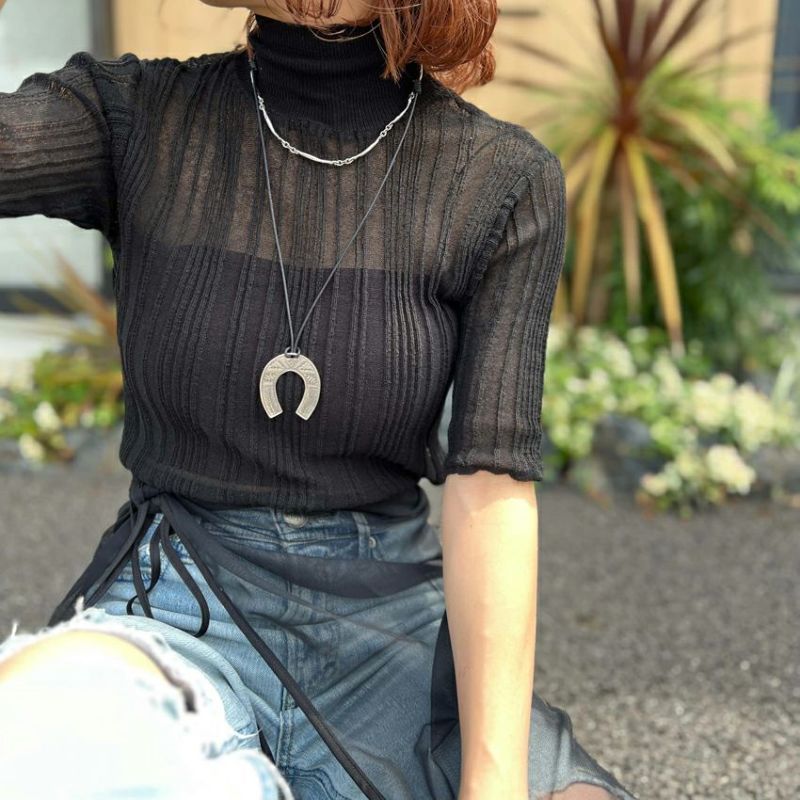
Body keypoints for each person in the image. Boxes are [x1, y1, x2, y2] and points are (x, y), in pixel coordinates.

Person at [0, 1, 640, 799]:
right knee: (49, 729)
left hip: (389, 624)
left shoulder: (500, 181)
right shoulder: (134, 117)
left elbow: (491, 489)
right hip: (179, 595)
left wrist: (493, 782)